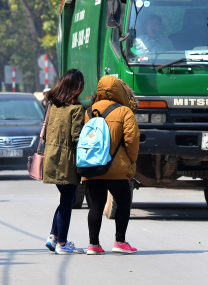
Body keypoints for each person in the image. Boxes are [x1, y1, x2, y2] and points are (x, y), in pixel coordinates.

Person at [83, 75, 140, 255]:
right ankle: (120, 242)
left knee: (96, 205)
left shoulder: (89, 111)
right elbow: (132, 140)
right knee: (123, 202)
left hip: (92, 166)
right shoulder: (125, 111)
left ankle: (93, 245)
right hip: (116, 169)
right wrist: (131, 160)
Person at [42, 69, 86, 255]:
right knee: (68, 201)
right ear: (76, 88)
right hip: (67, 160)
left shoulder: (53, 106)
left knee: (67, 198)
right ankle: (61, 243)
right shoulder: (76, 109)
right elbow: (77, 137)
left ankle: (53, 237)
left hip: (51, 158)